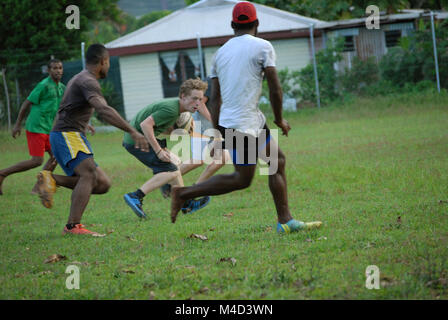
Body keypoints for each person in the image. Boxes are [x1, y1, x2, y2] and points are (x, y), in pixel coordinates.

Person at [170, 1, 322, 234]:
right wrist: (280, 119)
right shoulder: (263, 46)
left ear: (232, 25)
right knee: (242, 179)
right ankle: (184, 193)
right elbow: (275, 89)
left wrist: (218, 132)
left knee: (276, 162)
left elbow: (215, 98)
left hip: (246, 120)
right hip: (243, 124)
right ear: (257, 23)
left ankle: (285, 221)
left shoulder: (220, 54)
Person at [36, 43, 149, 236]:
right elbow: (104, 110)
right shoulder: (87, 81)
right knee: (88, 175)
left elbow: (68, 107)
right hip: (67, 135)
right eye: (108, 62)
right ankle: (73, 226)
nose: (108, 66)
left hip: (70, 134)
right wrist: (132, 131)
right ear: (103, 61)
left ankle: (50, 179)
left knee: (103, 183)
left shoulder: (80, 78)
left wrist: (83, 123)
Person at [123, 78, 211, 219]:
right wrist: (158, 151)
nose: (198, 103)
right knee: (170, 171)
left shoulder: (175, 109)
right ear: (183, 96)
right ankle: (135, 196)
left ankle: (185, 203)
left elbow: (153, 125)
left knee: (174, 167)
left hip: (138, 139)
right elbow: (146, 125)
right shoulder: (171, 109)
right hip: (136, 141)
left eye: (200, 99)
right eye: (194, 98)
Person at [0, 59, 64, 196]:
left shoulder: (61, 87)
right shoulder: (43, 85)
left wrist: (85, 123)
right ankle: (2, 174)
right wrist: (17, 124)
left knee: (56, 156)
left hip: (48, 129)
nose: (58, 70)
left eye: (60, 68)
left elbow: (66, 108)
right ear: (49, 70)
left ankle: (37, 187)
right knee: (36, 161)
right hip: (36, 127)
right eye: (54, 68)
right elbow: (26, 104)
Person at [159, 79, 231, 199]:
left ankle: (194, 189)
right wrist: (215, 124)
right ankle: (167, 180)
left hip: (215, 127)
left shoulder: (232, 80)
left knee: (221, 158)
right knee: (199, 160)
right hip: (203, 126)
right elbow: (200, 104)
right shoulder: (214, 81)